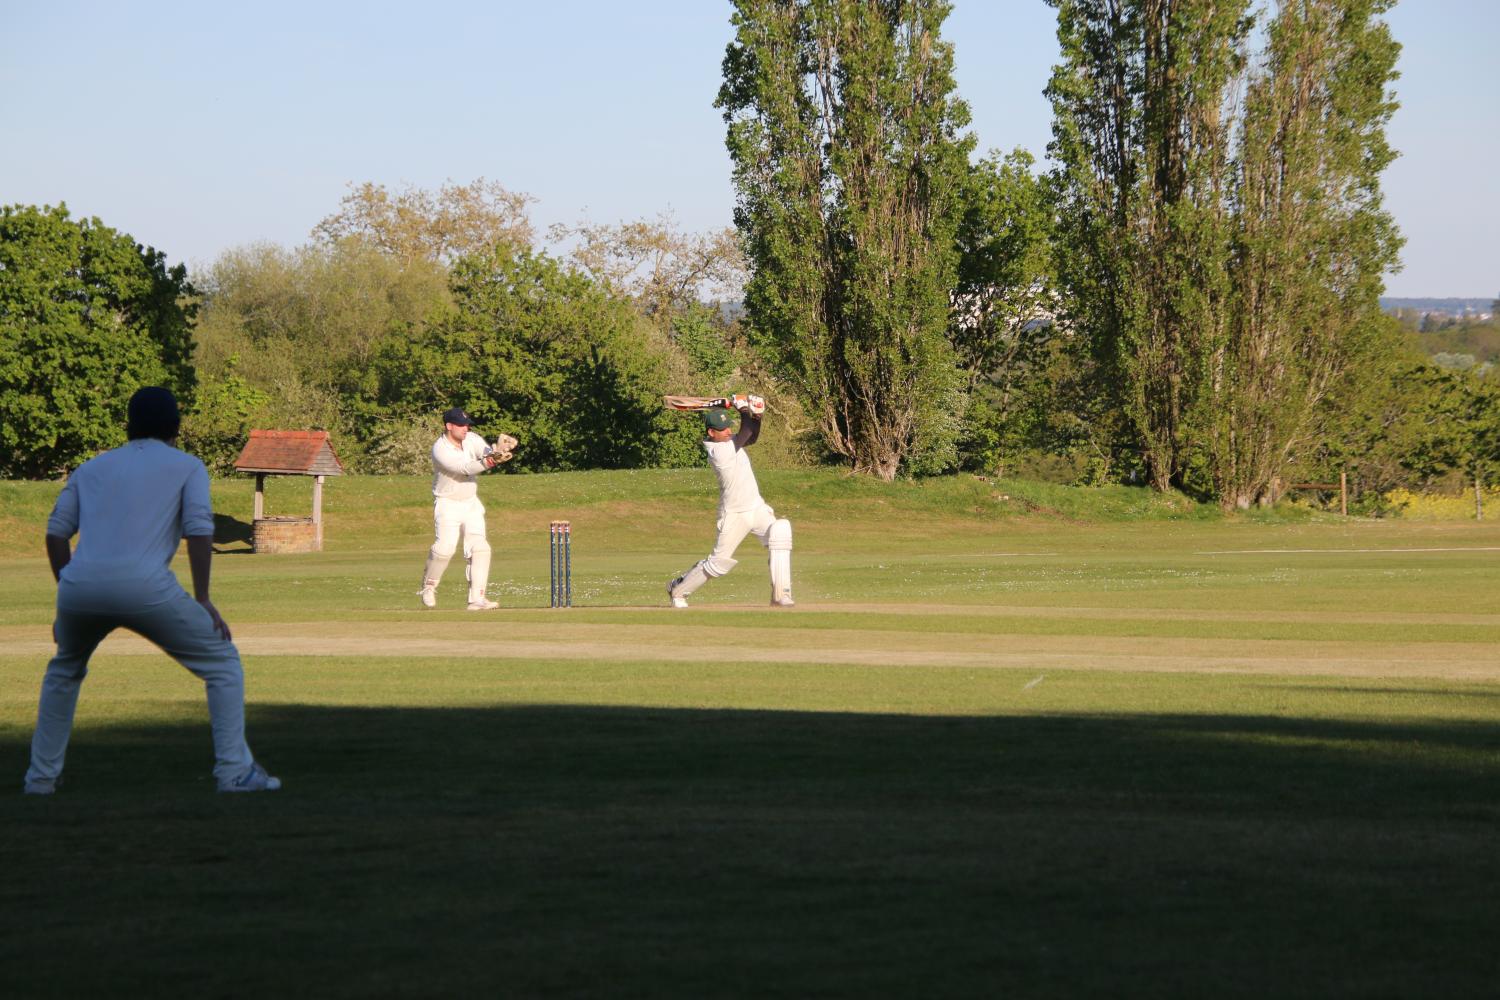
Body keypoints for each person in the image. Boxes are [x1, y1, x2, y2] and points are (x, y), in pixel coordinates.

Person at [24, 387, 279, 795]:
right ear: (175, 426)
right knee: (222, 663)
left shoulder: (90, 469)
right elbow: (199, 530)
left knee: (63, 672)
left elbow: (56, 535)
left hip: (80, 588)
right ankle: (234, 772)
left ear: (129, 426)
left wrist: (67, 596)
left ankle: (39, 780)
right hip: (145, 586)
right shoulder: (187, 466)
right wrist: (203, 598)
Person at [667, 394, 794, 608]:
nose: (728, 432)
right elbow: (745, 433)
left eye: (728, 427)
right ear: (711, 433)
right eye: (723, 430)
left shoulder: (728, 441)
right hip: (734, 514)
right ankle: (678, 590)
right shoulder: (718, 451)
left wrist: (758, 416)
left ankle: (780, 594)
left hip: (756, 507)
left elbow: (750, 437)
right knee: (718, 563)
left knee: (781, 532)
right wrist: (744, 409)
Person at [418, 406, 507, 610]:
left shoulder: (472, 439)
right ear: (449, 426)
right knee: (444, 549)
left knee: (481, 548)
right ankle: (429, 587)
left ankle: (477, 599)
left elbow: (486, 453)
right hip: (447, 502)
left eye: (467, 425)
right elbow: (464, 468)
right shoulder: (440, 449)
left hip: (470, 502)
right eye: (460, 425)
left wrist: (499, 451)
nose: (465, 428)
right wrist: (492, 460)